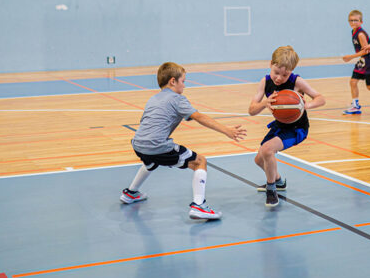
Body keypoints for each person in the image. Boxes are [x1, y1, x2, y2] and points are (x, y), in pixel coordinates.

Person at [120, 61, 247, 220]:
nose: (184, 86)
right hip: (157, 145)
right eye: (183, 81)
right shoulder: (178, 99)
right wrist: (227, 130)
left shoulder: (153, 99)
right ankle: (199, 205)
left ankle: (131, 193)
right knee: (200, 161)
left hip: (138, 143)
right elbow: (199, 117)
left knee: (151, 161)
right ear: (173, 81)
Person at [249, 45, 325, 207]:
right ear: (271, 64)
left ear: (291, 71)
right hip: (279, 126)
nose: (279, 78)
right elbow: (251, 111)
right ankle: (279, 182)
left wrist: (307, 105)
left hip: (297, 128)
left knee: (267, 150)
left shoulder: (296, 81)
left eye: (285, 74)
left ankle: (271, 189)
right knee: (258, 160)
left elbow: (320, 98)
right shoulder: (265, 82)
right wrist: (264, 103)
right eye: (277, 73)